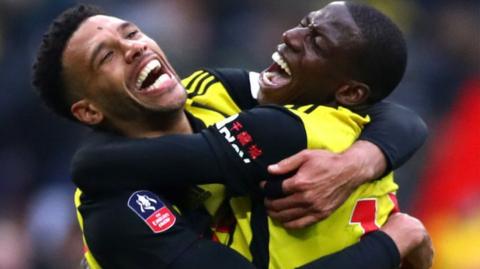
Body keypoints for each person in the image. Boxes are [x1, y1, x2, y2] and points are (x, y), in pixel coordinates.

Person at [32, 3, 432, 269]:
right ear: (88, 111)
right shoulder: (115, 210)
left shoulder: (214, 90)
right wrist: (395, 241)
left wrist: (357, 161)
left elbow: (387, 111)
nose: (134, 49)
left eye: (132, 33)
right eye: (106, 56)